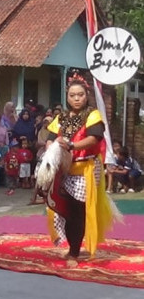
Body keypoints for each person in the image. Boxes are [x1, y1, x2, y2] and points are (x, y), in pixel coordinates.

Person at [45, 74, 113, 266]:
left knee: (77, 210)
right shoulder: (62, 117)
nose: (76, 98)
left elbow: (95, 138)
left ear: (86, 95)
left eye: (80, 95)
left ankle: (74, 251)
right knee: (63, 209)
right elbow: (49, 137)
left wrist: (71, 146)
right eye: (73, 95)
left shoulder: (93, 115)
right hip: (65, 170)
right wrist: (52, 146)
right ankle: (72, 246)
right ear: (67, 97)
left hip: (87, 169)